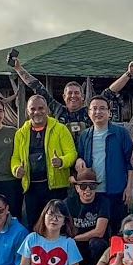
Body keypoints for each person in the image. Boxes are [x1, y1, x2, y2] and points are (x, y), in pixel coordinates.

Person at [10, 54, 133, 135]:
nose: (73, 96)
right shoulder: (57, 110)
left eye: (77, 93)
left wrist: (128, 74)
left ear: (82, 97)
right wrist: (18, 68)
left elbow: (109, 92)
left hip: (87, 159)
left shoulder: (89, 112)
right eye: (69, 93)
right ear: (64, 97)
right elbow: (37, 87)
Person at [11, 95, 77, 230]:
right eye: (33, 109)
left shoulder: (60, 129)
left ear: (47, 109)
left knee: (57, 224)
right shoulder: (20, 133)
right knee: (34, 225)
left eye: (41, 108)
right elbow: (15, 158)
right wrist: (16, 169)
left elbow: (72, 153)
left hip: (55, 187)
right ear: (27, 111)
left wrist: (62, 161)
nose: (37, 112)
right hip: (31, 188)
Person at [74, 94, 133, 231]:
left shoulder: (120, 133)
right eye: (94, 109)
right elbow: (80, 156)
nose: (98, 112)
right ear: (89, 112)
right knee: (95, 230)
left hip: (116, 190)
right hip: (93, 192)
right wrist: (78, 159)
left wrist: (129, 187)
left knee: (118, 228)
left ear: (109, 112)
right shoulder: (85, 135)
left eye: (102, 108)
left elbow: (130, 162)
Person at [64, 167, 110, 265]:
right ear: (77, 188)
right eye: (84, 186)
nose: (88, 190)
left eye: (92, 186)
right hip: (75, 248)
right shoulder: (67, 203)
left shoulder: (103, 202)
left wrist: (75, 238)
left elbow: (99, 231)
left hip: (96, 246)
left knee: (96, 243)